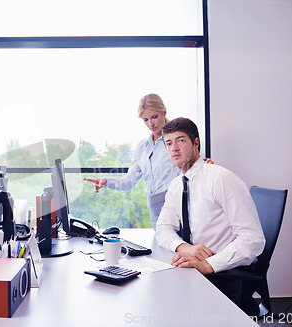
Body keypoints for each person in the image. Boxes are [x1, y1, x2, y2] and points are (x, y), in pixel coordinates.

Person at [155, 117, 265, 316]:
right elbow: (163, 228)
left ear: (196, 143)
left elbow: (253, 240)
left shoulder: (221, 179)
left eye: (181, 140)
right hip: (193, 269)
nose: (174, 148)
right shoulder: (176, 185)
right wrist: (184, 247)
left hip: (223, 273)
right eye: (168, 143)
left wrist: (206, 265)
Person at [84, 93, 211, 229]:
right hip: (153, 208)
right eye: (145, 119)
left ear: (164, 113)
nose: (151, 123)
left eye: (154, 117)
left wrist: (206, 166)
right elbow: (129, 181)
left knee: (180, 245)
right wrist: (106, 181)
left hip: (177, 203)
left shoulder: (175, 141)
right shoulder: (142, 147)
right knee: (162, 243)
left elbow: (194, 165)